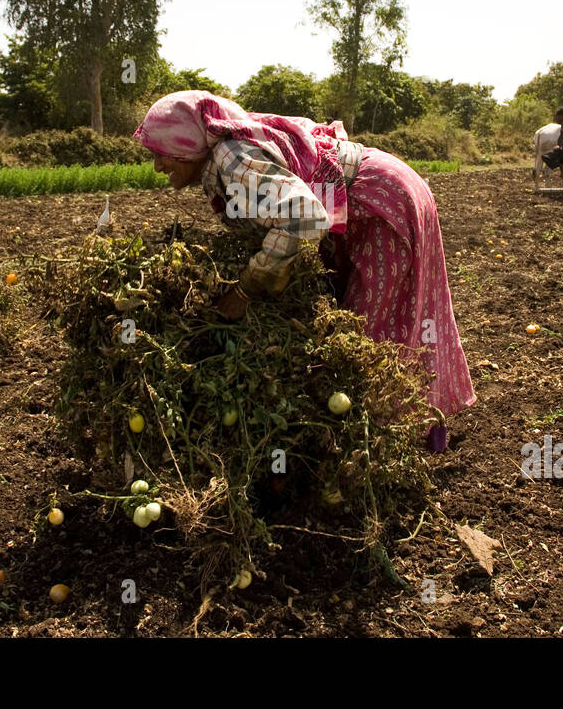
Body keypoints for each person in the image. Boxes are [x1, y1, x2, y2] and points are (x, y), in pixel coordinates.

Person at [133, 90, 476, 450]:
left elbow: (303, 214)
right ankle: (414, 424)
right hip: (380, 192)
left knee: (369, 331)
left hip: (380, 200)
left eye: (162, 154)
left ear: (186, 144)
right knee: (392, 317)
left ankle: (387, 440)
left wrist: (246, 289)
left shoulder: (232, 157)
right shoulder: (219, 158)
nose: (158, 166)